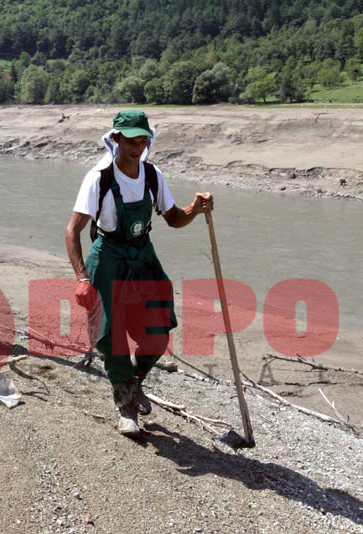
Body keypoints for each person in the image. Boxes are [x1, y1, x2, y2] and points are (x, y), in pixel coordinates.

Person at [65, 110, 213, 437]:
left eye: (142, 139)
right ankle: (127, 408)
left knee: (158, 330)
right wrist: (81, 278)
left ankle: (134, 380)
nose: (137, 146)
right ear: (116, 139)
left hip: (142, 256)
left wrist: (195, 208)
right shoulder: (99, 178)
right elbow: (72, 232)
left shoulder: (151, 175)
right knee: (110, 335)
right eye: (130, 140)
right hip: (108, 258)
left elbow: (173, 217)